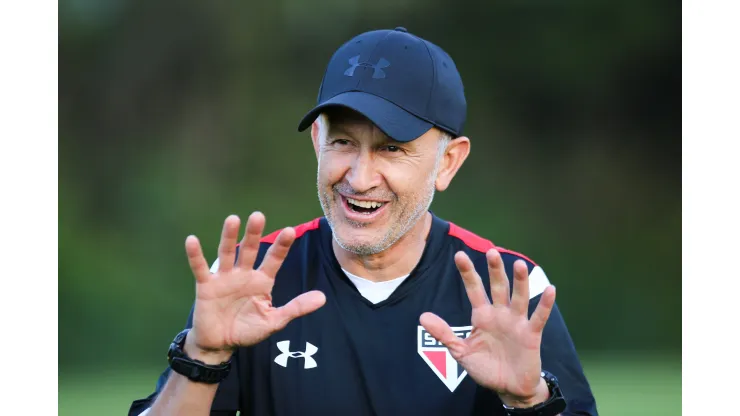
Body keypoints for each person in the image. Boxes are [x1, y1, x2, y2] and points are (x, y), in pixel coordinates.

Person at [128, 27, 598, 416]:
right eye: (343, 142)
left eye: (391, 148)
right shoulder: (253, 281)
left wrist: (529, 401)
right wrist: (203, 357)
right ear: (317, 141)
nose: (359, 177)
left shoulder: (510, 293)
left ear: (448, 162)